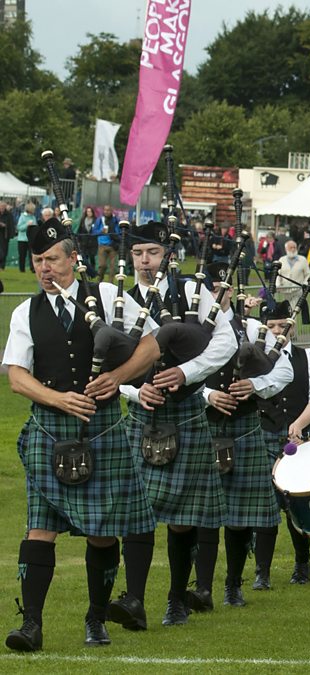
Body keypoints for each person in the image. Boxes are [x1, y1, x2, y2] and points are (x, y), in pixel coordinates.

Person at [3, 223, 161, 651]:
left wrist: (117, 377)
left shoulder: (107, 296)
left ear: (74, 258)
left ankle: (96, 618)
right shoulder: (26, 312)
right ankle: (31, 625)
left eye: (52, 259)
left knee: (102, 531)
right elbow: (17, 376)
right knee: (39, 528)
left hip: (102, 428)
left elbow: (151, 346)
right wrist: (58, 399)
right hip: (49, 431)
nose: (44, 268)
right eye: (38, 261)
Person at [114, 222, 236, 629]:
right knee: (136, 511)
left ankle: (177, 599)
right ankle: (133, 599)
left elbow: (226, 342)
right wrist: (135, 391)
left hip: (185, 411)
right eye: (138, 254)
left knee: (184, 517)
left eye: (152, 252)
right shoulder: (119, 299)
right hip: (143, 415)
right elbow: (108, 361)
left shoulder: (191, 292)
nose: (145, 261)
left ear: (168, 254)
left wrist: (187, 371)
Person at [197, 271, 293, 607]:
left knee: (238, 519)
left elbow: (285, 370)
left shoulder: (253, 329)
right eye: (212, 288)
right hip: (203, 425)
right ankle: (202, 588)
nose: (217, 293)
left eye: (222, 288)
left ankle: (233, 585)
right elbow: (176, 374)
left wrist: (255, 385)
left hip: (244, 426)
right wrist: (208, 395)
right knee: (202, 515)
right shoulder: (195, 328)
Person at [256, 300, 310, 586]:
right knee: (264, 507)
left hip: (299, 439)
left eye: (282, 325)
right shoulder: (254, 356)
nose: (277, 331)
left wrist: (298, 424)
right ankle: (262, 572)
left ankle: (302, 563)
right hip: (262, 436)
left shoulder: (308, 357)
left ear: (292, 327)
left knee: (296, 505)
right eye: (271, 326)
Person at [277, 240, 310, 325]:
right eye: (291, 247)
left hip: (298, 291)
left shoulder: (302, 260)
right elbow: (278, 274)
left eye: (294, 247)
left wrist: (305, 284)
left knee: (293, 312)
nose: (293, 249)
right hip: (285, 291)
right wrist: (278, 285)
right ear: (286, 249)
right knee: (286, 312)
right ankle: (290, 331)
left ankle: (293, 331)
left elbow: (307, 274)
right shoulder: (282, 260)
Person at [94, 206, 121, 283]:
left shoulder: (116, 220)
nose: (106, 211)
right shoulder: (100, 219)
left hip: (113, 245)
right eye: (105, 210)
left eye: (108, 210)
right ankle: (99, 281)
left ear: (111, 211)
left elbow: (120, 231)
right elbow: (94, 232)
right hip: (102, 245)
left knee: (113, 266)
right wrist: (101, 231)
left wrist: (117, 239)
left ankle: (110, 283)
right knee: (102, 265)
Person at [17, 202, 37, 273]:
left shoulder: (33, 217)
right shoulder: (22, 217)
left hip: (31, 239)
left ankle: (33, 269)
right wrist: (27, 225)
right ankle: (22, 269)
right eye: (33, 209)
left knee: (32, 255)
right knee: (22, 255)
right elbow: (19, 227)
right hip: (22, 239)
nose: (34, 210)